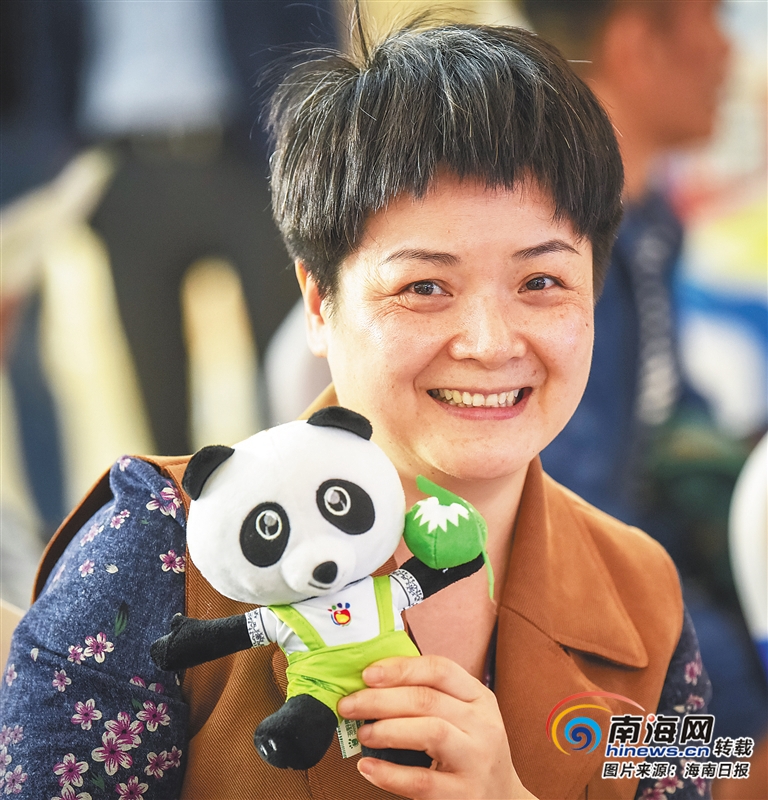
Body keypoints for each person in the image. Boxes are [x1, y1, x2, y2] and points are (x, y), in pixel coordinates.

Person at [1, 19, 713, 800]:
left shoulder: (646, 593)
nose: (488, 343)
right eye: (424, 286)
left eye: (541, 282)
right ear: (317, 302)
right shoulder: (159, 552)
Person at [522, 0, 768, 745]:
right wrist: (740, 715)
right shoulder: (564, 256)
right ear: (637, 44)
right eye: (712, 19)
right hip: (603, 667)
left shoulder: (646, 216)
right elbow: (582, 525)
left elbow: (669, 412)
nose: (730, 51)